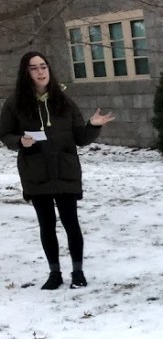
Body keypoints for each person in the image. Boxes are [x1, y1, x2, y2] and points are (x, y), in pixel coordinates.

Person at [0, 51, 115, 290]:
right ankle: (54, 273)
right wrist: (20, 141)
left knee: (71, 223)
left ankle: (78, 272)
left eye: (43, 66)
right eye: (34, 68)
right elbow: (5, 134)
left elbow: (80, 138)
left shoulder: (63, 101)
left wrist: (93, 126)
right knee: (47, 225)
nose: (40, 72)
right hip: (35, 172)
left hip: (65, 170)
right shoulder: (15, 104)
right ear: (25, 72)